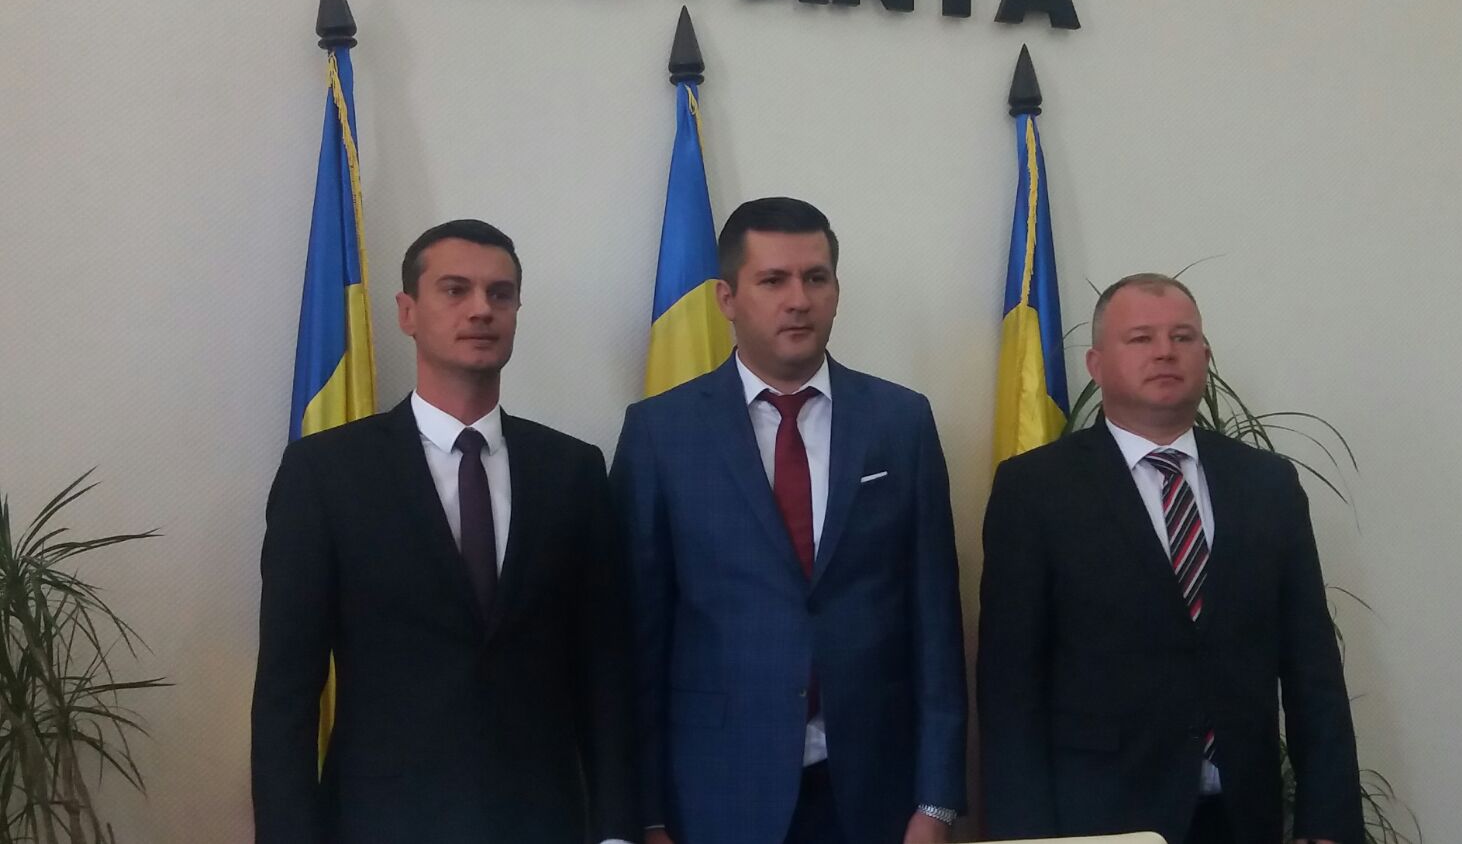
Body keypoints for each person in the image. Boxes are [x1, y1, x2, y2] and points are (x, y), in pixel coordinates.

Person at [252, 220, 637, 844]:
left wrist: (617, 828)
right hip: (381, 822)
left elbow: (604, 667)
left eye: (500, 294)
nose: (481, 309)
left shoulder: (572, 470)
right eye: (455, 290)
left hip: (543, 820)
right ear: (407, 312)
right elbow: (286, 691)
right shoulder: (325, 473)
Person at [611, 197, 967, 844]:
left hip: (875, 791)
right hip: (717, 795)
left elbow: (935, 622)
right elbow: (639, 639)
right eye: (773, 280)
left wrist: (936, 802)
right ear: (727, 298)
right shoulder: (662, 434)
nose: (798, 300)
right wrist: (649, 814)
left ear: (836, 291)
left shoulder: (901, 422)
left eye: (815, 278)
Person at [977, 273, 1363, 844]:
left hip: (1244, 815)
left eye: (1182, 337)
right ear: (1095, 365)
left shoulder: (1267, 484)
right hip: (1100, 818)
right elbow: (1011, 685)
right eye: (1141, 338)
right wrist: (1026, 835)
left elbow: (1312, 666)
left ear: (1204, 355)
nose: (1165, 351)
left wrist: (1327, 818)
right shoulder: (1035, 490)